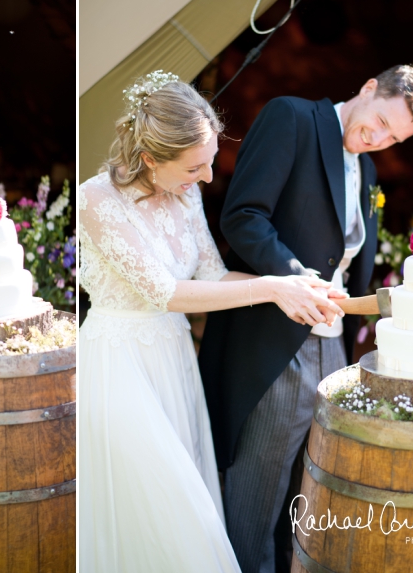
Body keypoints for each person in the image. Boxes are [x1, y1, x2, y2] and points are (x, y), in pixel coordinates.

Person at [78, 71, 346, 573]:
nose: (206, 177)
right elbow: (167, 291)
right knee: (169, 514)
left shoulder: (185, 194)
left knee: (175, 517)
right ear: (150, 158)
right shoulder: (96, 200)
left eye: (210, 163)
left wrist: (298, 286)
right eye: (195, 166)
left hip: (177, 365)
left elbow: (213, 275)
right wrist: (271, 287)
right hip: (121, 369)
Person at [197, 64, 413, 573]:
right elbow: (243, 216)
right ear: (368, 88)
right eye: (379, 123)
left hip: (334, 345)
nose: (377, 139)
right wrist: (294, 277)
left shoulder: (368, 170)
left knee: (306, 494)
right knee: (256, 495)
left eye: (393, 138)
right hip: (276, 336)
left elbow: (348, 260)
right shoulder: (293, 118)